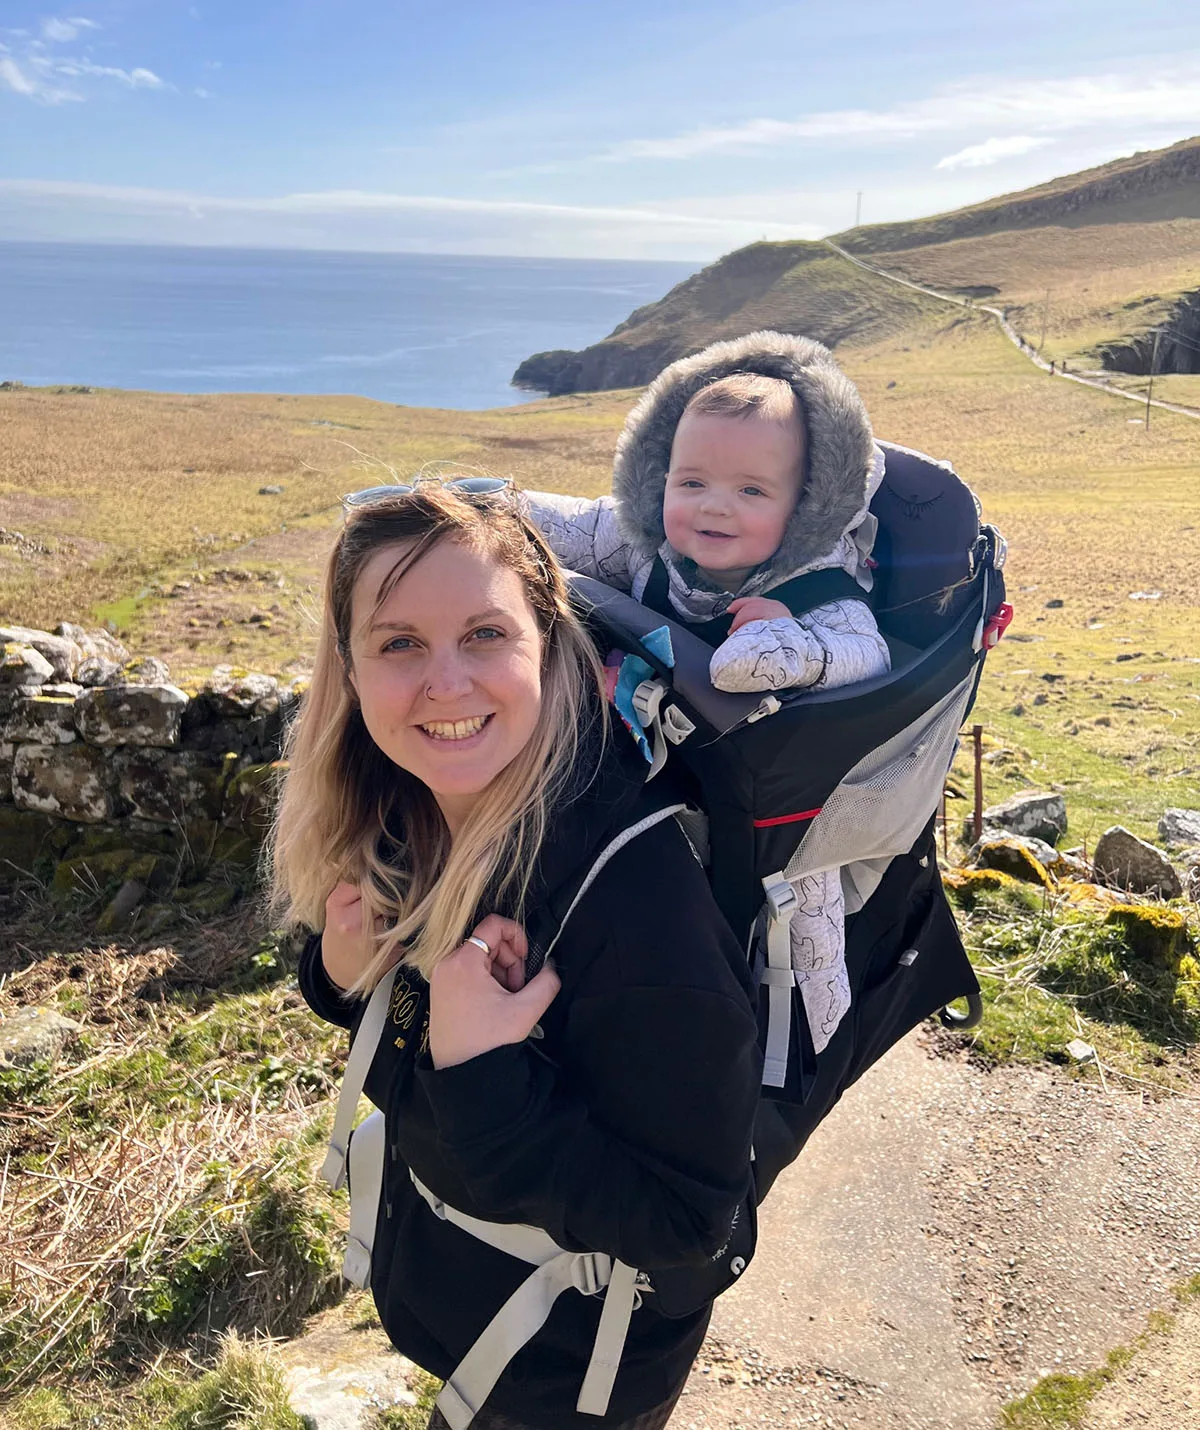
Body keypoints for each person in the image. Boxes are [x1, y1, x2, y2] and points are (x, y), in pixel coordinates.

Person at [271, 483, 761, 1429]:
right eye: (399, 642)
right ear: (351, 666)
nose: (444, 683)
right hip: (460, 1294)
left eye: (485, 635)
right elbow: (407, 1036)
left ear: (547, 640)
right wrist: (338, 974)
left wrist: (482, 1069)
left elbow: (692, 1223)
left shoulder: (637, 900)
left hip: (572, 1370)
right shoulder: (408, 811)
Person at [523, 331, 889, 1054]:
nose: (713, 508)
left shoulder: (815, 584)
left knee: (802, 898)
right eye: (691, 483)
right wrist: (481, 504)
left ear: (806, 504)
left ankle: (806, 1043)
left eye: (751, 490)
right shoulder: (648, 546)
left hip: (773, 798)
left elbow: (863, 650)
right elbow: (561, 521)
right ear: (658, 478)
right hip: (643, 760)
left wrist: (790, 646)